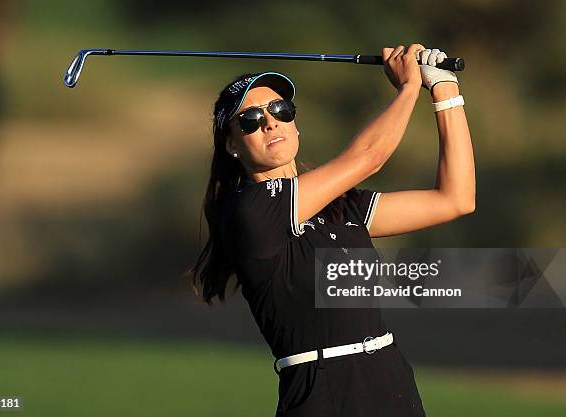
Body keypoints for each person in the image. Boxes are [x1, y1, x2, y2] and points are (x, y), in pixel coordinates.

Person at [191, 43, 475, 417]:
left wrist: (444, 90)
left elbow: (455, 199)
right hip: (322, 390)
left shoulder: (340, 204)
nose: (270, 122)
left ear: (294, 122)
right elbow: (368, 157)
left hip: (390, 379)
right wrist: (408, 86)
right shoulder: (251, 210)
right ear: (231, 145)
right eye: (249, 119)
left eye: (280, 110)